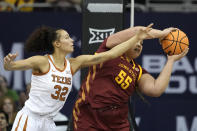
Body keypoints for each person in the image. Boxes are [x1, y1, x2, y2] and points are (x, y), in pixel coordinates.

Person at [4, 24, 153, 131]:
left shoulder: (74, 64)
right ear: (57, 43)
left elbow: (110, 54)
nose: (71, 40)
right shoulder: (42, 61)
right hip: (30, 119)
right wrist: (9, 64)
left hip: (48, 122)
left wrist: (136, 38)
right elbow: (13, 66)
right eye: (67, 38)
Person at [72, 26, 189, 131]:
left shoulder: (138, 71)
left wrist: (171, 61)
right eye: (137, 41)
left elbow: (156, 89)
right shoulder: (107, 49)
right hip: (90, 115)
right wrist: (162, 33)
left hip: (117, 122)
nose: (139, 44)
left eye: (142, 43)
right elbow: (136, 31)